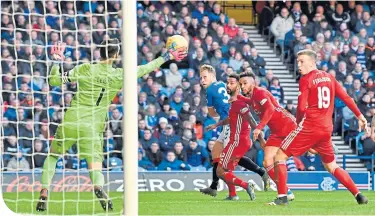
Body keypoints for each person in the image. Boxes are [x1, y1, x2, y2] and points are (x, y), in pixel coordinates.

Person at [36, 39, 187, 212]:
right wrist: (166, 56)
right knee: (94, 166)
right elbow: (145, 68)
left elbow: (54, 81)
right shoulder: (119, 75)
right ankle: (98, 187)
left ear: (99, 52)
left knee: (54, 156)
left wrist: (56, 62)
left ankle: (44, 191)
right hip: (93, 126)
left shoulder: (85, 69)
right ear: (116, 55)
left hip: (72, 119)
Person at [270, 49, 368, 205]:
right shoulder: (329, 77)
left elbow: (301, 108)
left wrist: (299, 125)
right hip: (326, 129)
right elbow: (347, 97)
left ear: (312, 62)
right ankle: (359, 195)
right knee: (331, 165)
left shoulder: (306, 79)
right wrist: (361, 116)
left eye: (302, 61)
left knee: (279, 157)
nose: (298, 64)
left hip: (310, 125)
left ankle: (282, 197)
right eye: (297, 61)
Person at [199, 64, 269, 199]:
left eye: (205, 77)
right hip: (230, 122)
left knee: (227, 161)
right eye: (201, 77)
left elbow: (212, 113)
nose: (202, 80)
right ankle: (214, 187)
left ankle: (234, 191)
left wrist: (260, 137)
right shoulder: (221, 85)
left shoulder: (210, 90)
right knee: (216, 153)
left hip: (232, 125)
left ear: (212, 76)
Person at [233, 72, 296, 201]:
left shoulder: (260, 92)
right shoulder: (253, 97)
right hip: (276, 133)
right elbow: (250, 102)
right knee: (267, 162)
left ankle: (323, 144)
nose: (243, 86)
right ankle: (286, 191)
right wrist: (237, 97)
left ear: (253, 83)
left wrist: (259, 127)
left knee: (310, 150)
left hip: (288, 126)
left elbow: (270, 109)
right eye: (241, 84)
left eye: (245, 83)